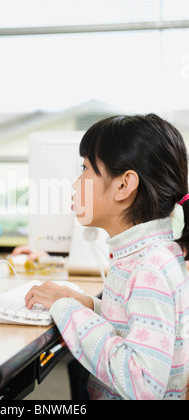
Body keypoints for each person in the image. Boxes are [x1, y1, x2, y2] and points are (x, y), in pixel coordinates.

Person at [24, 114, 189, 400]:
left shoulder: (149, 268)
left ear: (124, 186)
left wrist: (67, 310)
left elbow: (143, 386)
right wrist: (86, 304)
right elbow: (135, 326)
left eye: (85, 168)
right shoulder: (149, 254)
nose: (76, 183)